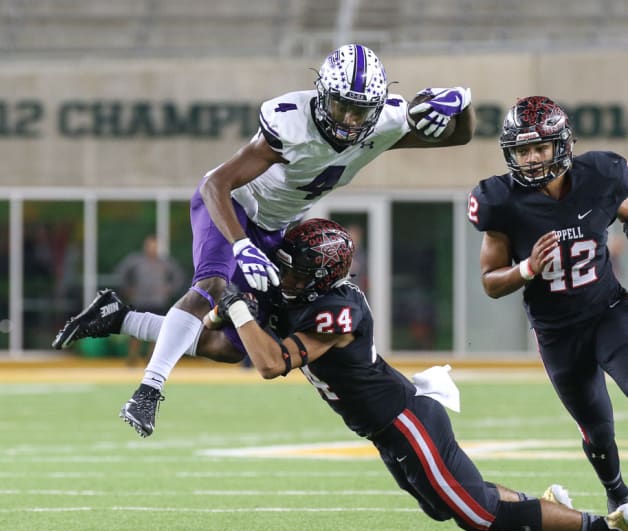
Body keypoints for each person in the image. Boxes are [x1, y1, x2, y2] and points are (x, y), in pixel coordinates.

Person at [51, 43, 475, 438]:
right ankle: (148, 390)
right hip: (232, 205)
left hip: (275, 227)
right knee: (212, 285)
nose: (349, 120)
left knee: (230, 347)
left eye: (359, 111)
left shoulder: (382, 123)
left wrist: (464, 102)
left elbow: (460, 135)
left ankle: (119, 318)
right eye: (341, 106)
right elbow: (217, 183)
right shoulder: (290, 121)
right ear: (322, 94)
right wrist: (239, 244)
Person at [205, 217, 628, 531]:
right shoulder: (297, 296)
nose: (284, 278)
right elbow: (229, 346)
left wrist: (237, 307)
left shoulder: (338, 310)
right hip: (386, 428)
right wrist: (163, 322)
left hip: (406, 421)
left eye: (294, 272)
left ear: (320, 277)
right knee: (444, 507)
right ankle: (548, 507)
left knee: (478, 516)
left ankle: (606, 528)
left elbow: (269, 363)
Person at [466, 95, 628, 514]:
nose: (533, 158)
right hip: (557, 332)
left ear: (563, 144)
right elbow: (489, 282)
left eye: (540, 147)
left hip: (609, 310)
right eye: (523, 149)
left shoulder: (601, 175)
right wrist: (526, 269)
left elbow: (621, 207)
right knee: (597, 428)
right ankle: (618, 493)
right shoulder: (501, 201)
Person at [114, 235, 185, 364]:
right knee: (135, 330)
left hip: (158, 301)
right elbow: (121, 273)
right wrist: (127, 288)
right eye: (150, 245)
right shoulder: (135, 261)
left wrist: (168, 289)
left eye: (155, 245)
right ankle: (132, 357)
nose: (152, 248)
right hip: (139, 300)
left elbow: (178, 278)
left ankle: (151, 358)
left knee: (157, 330)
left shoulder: (165, 263)